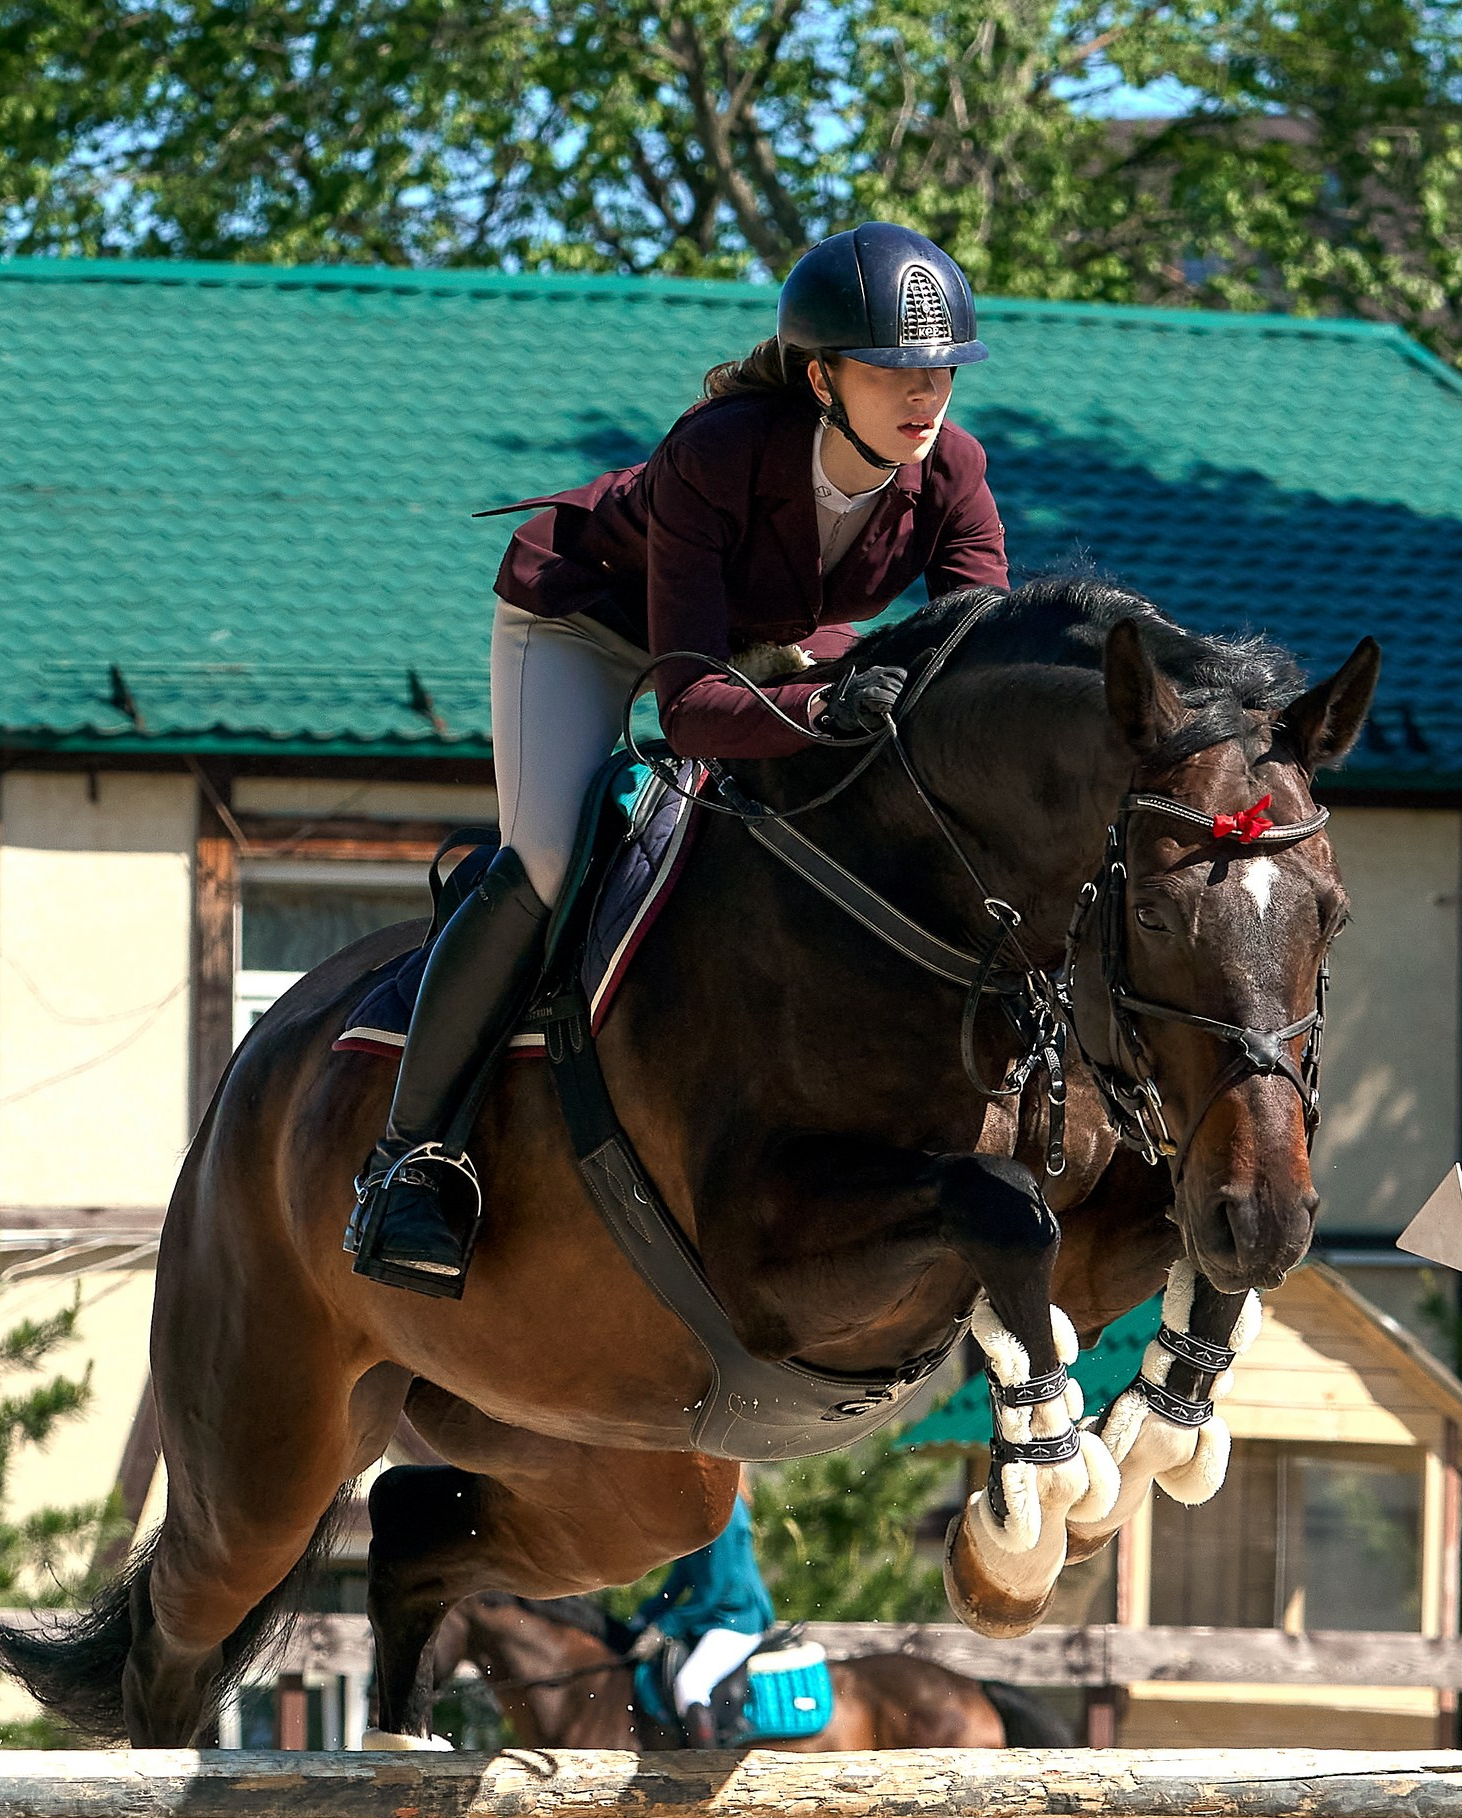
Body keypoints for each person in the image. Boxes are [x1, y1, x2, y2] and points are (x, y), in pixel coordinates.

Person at [346, 223, 1011, 1294]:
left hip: (760, 647)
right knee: (552, 860)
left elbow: (980, 661)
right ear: (821, 375)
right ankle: (410, 1160)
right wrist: (830, 700)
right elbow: (694, 709)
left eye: (939, 370)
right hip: (587, 624)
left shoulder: (954, 474)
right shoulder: (721, 449)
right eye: (894, 368)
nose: (924, 394)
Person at [636, 1486, 775, 1750]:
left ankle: (706, 1774)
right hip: (712, 1619)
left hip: (737, 1620)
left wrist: (665, 1626)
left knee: (690, 1684)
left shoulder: (726, 1509)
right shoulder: (696, 1511)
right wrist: (645, 1616)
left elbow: (714, 1592)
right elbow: (681, 1576)